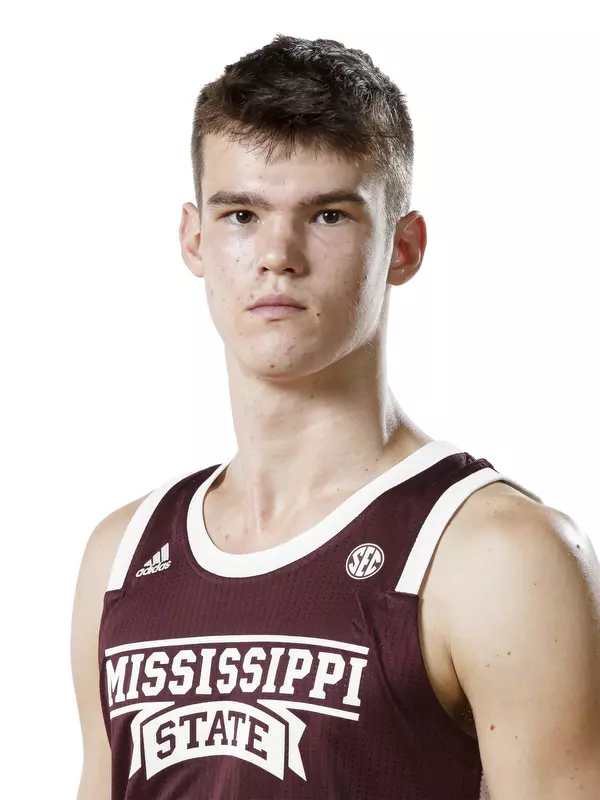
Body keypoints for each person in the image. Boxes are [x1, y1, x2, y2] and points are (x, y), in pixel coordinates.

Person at [70, 33, 600, 800]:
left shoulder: (496, 557)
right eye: (242, 213)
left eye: (327, 217)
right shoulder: (119, 558)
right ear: (194, 238)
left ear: (404, 248)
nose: (277, 254)